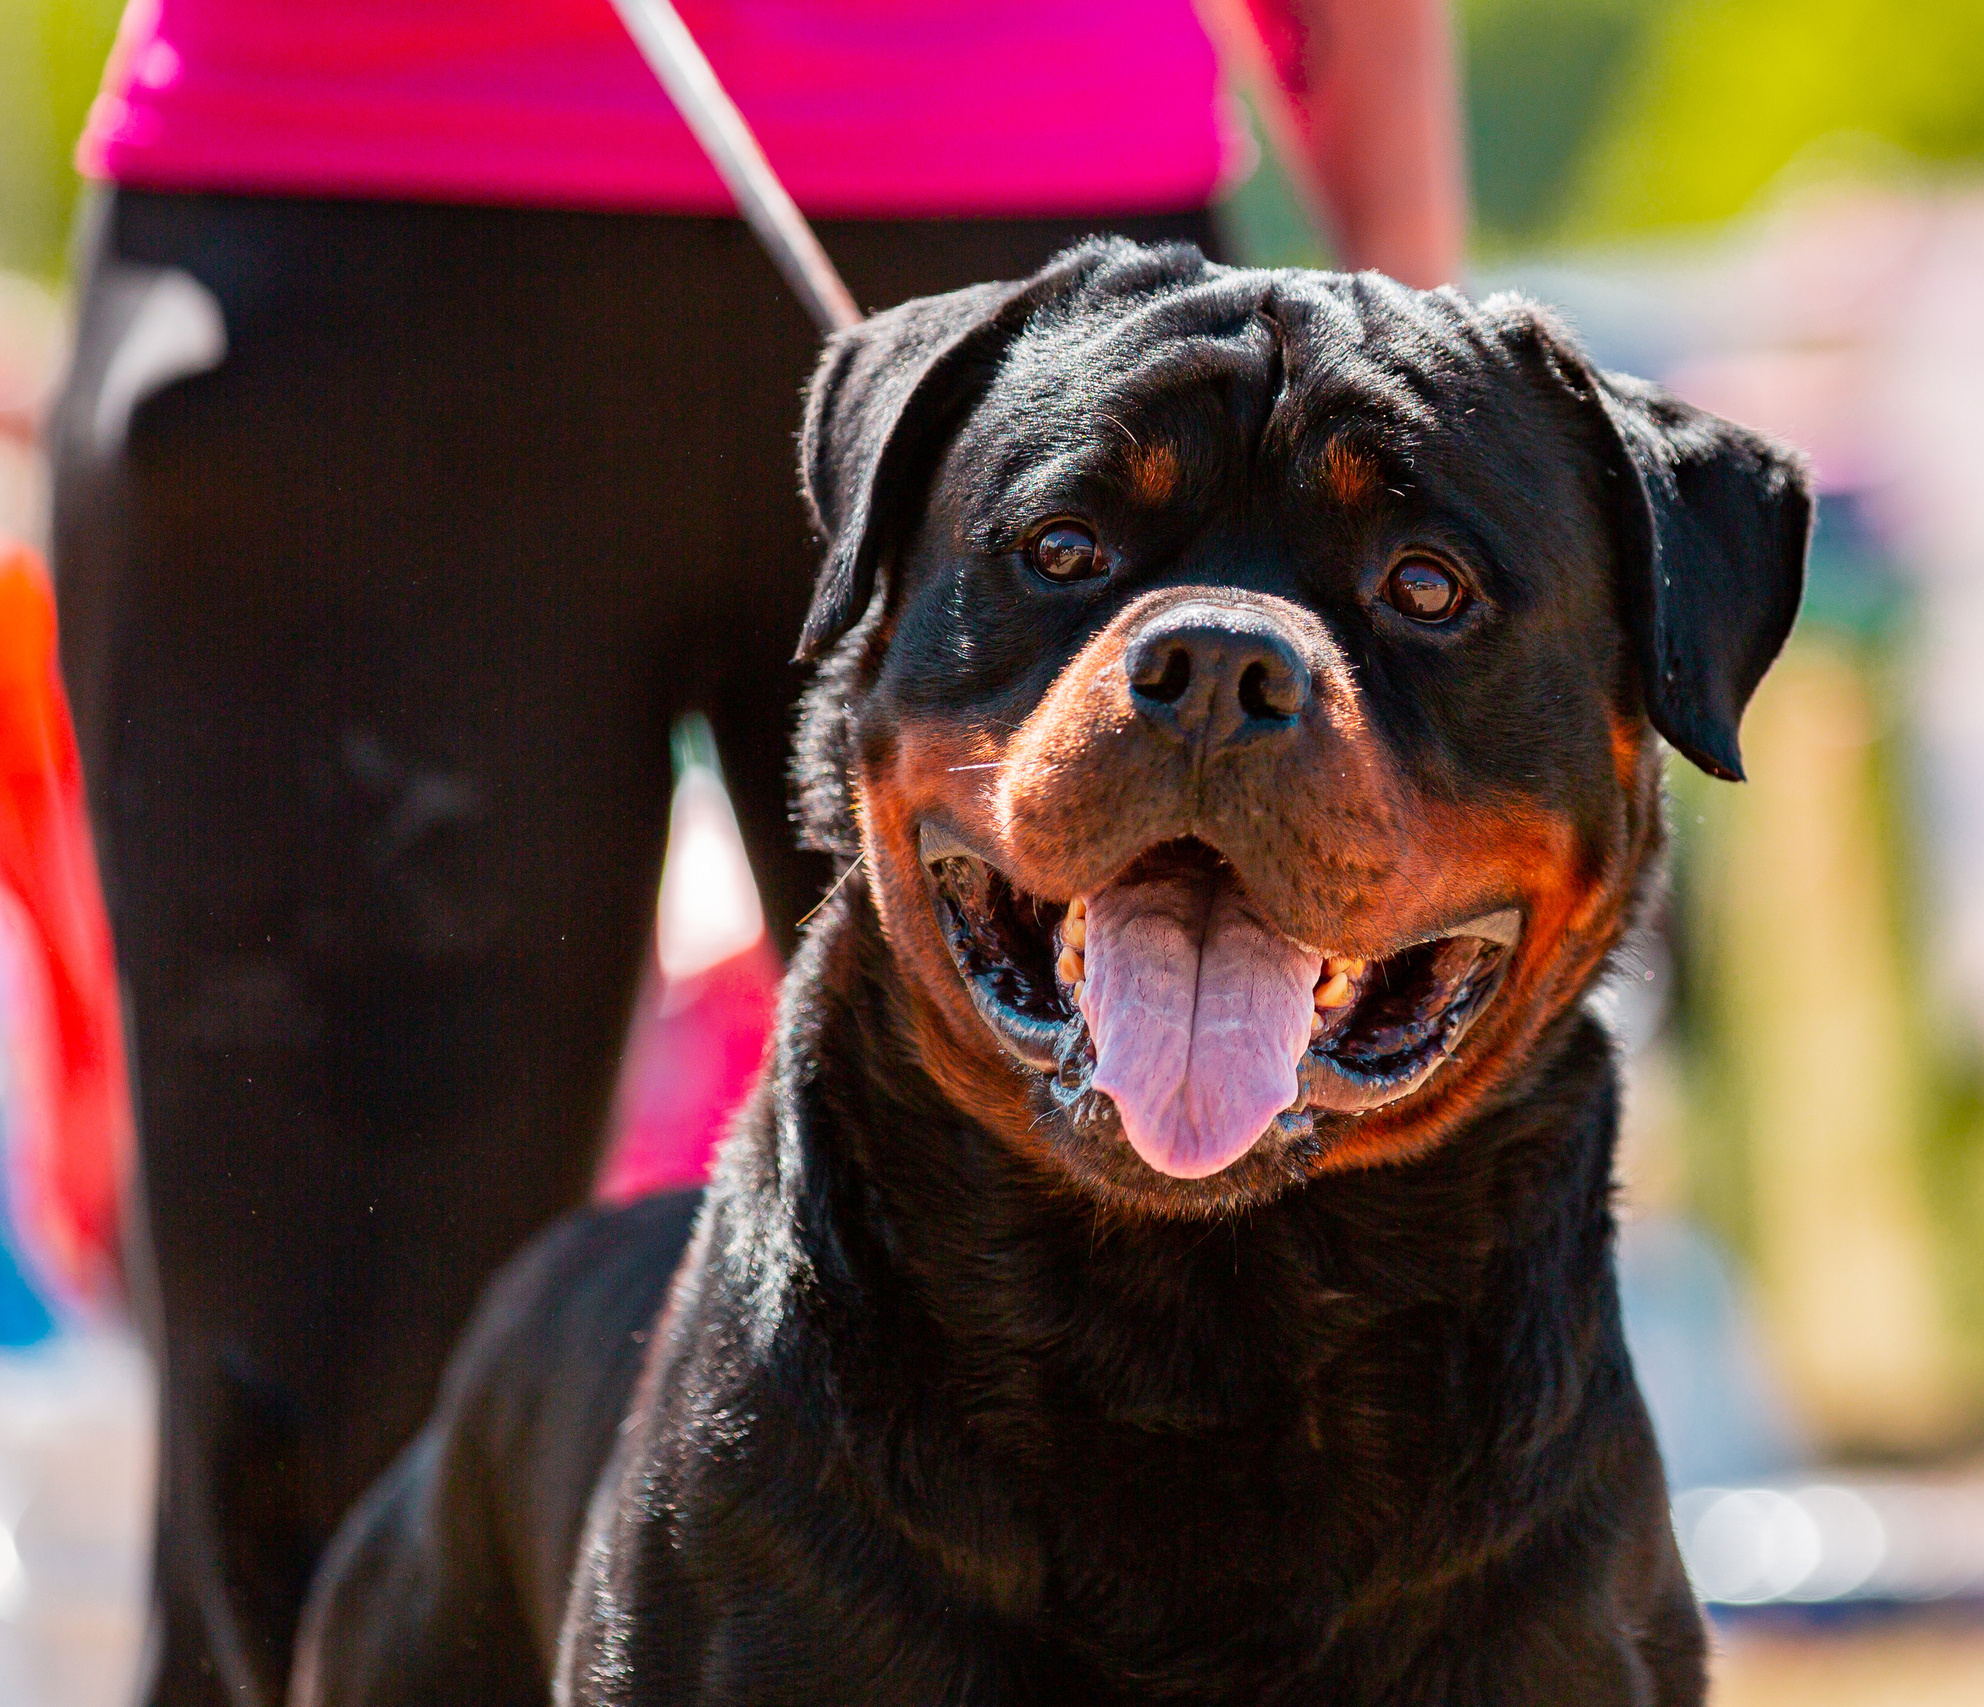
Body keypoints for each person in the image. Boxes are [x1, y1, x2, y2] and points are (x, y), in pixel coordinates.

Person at [43, 4, 1463, 1702]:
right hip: (359, 242)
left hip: (1061, 292)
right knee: (327, 1498)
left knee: (1223, 1430)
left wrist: (1423, 367)